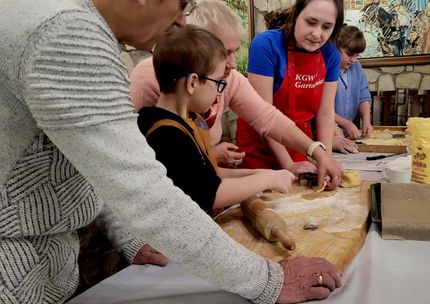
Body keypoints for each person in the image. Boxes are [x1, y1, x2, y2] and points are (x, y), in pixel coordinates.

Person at [0, 0, 343, 303]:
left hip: (47, 260)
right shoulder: (67, 32)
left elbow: (93, 164)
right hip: (16, 270)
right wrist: (269, 280)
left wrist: (314, 149)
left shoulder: (62, 21)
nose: (180, 22)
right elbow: (140, 186)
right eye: (182, 5)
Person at [129, 0, 341, 189]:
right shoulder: (149, 80)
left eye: (235, 51)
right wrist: (214, 155)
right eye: (223, 53)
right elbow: (140, 158)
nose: (232, 64)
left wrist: (317, 151)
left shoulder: (231, 79)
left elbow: (267, 117)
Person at [138, 25, 295, 213]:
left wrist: (258, 173)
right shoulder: (166, 134)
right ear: (192, 83)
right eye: (219, 82)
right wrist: (268, 180)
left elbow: (209, 174)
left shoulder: (191, 119)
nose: (219, 91)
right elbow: (210, 193)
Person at [235, 0, 344, 182]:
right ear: (296, 15)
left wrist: (324, 158)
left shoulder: (331, 54)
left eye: (327, 27)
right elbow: (264, 114)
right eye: (310, 22)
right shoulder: (266, 45)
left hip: (300, 146)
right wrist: (288, 164)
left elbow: (325, 113)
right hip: (260, 149)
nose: (317, 34)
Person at [333, 25, 372, 154]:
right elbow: (320, 107)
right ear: (336, 47)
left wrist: (366, 119)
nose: (354, 60)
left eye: (357, 55)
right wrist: (346, 123)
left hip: (346, 135)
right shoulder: (326, 67)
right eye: (349, 54)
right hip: (327, 132)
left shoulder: (357, 67)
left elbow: (363, 94)